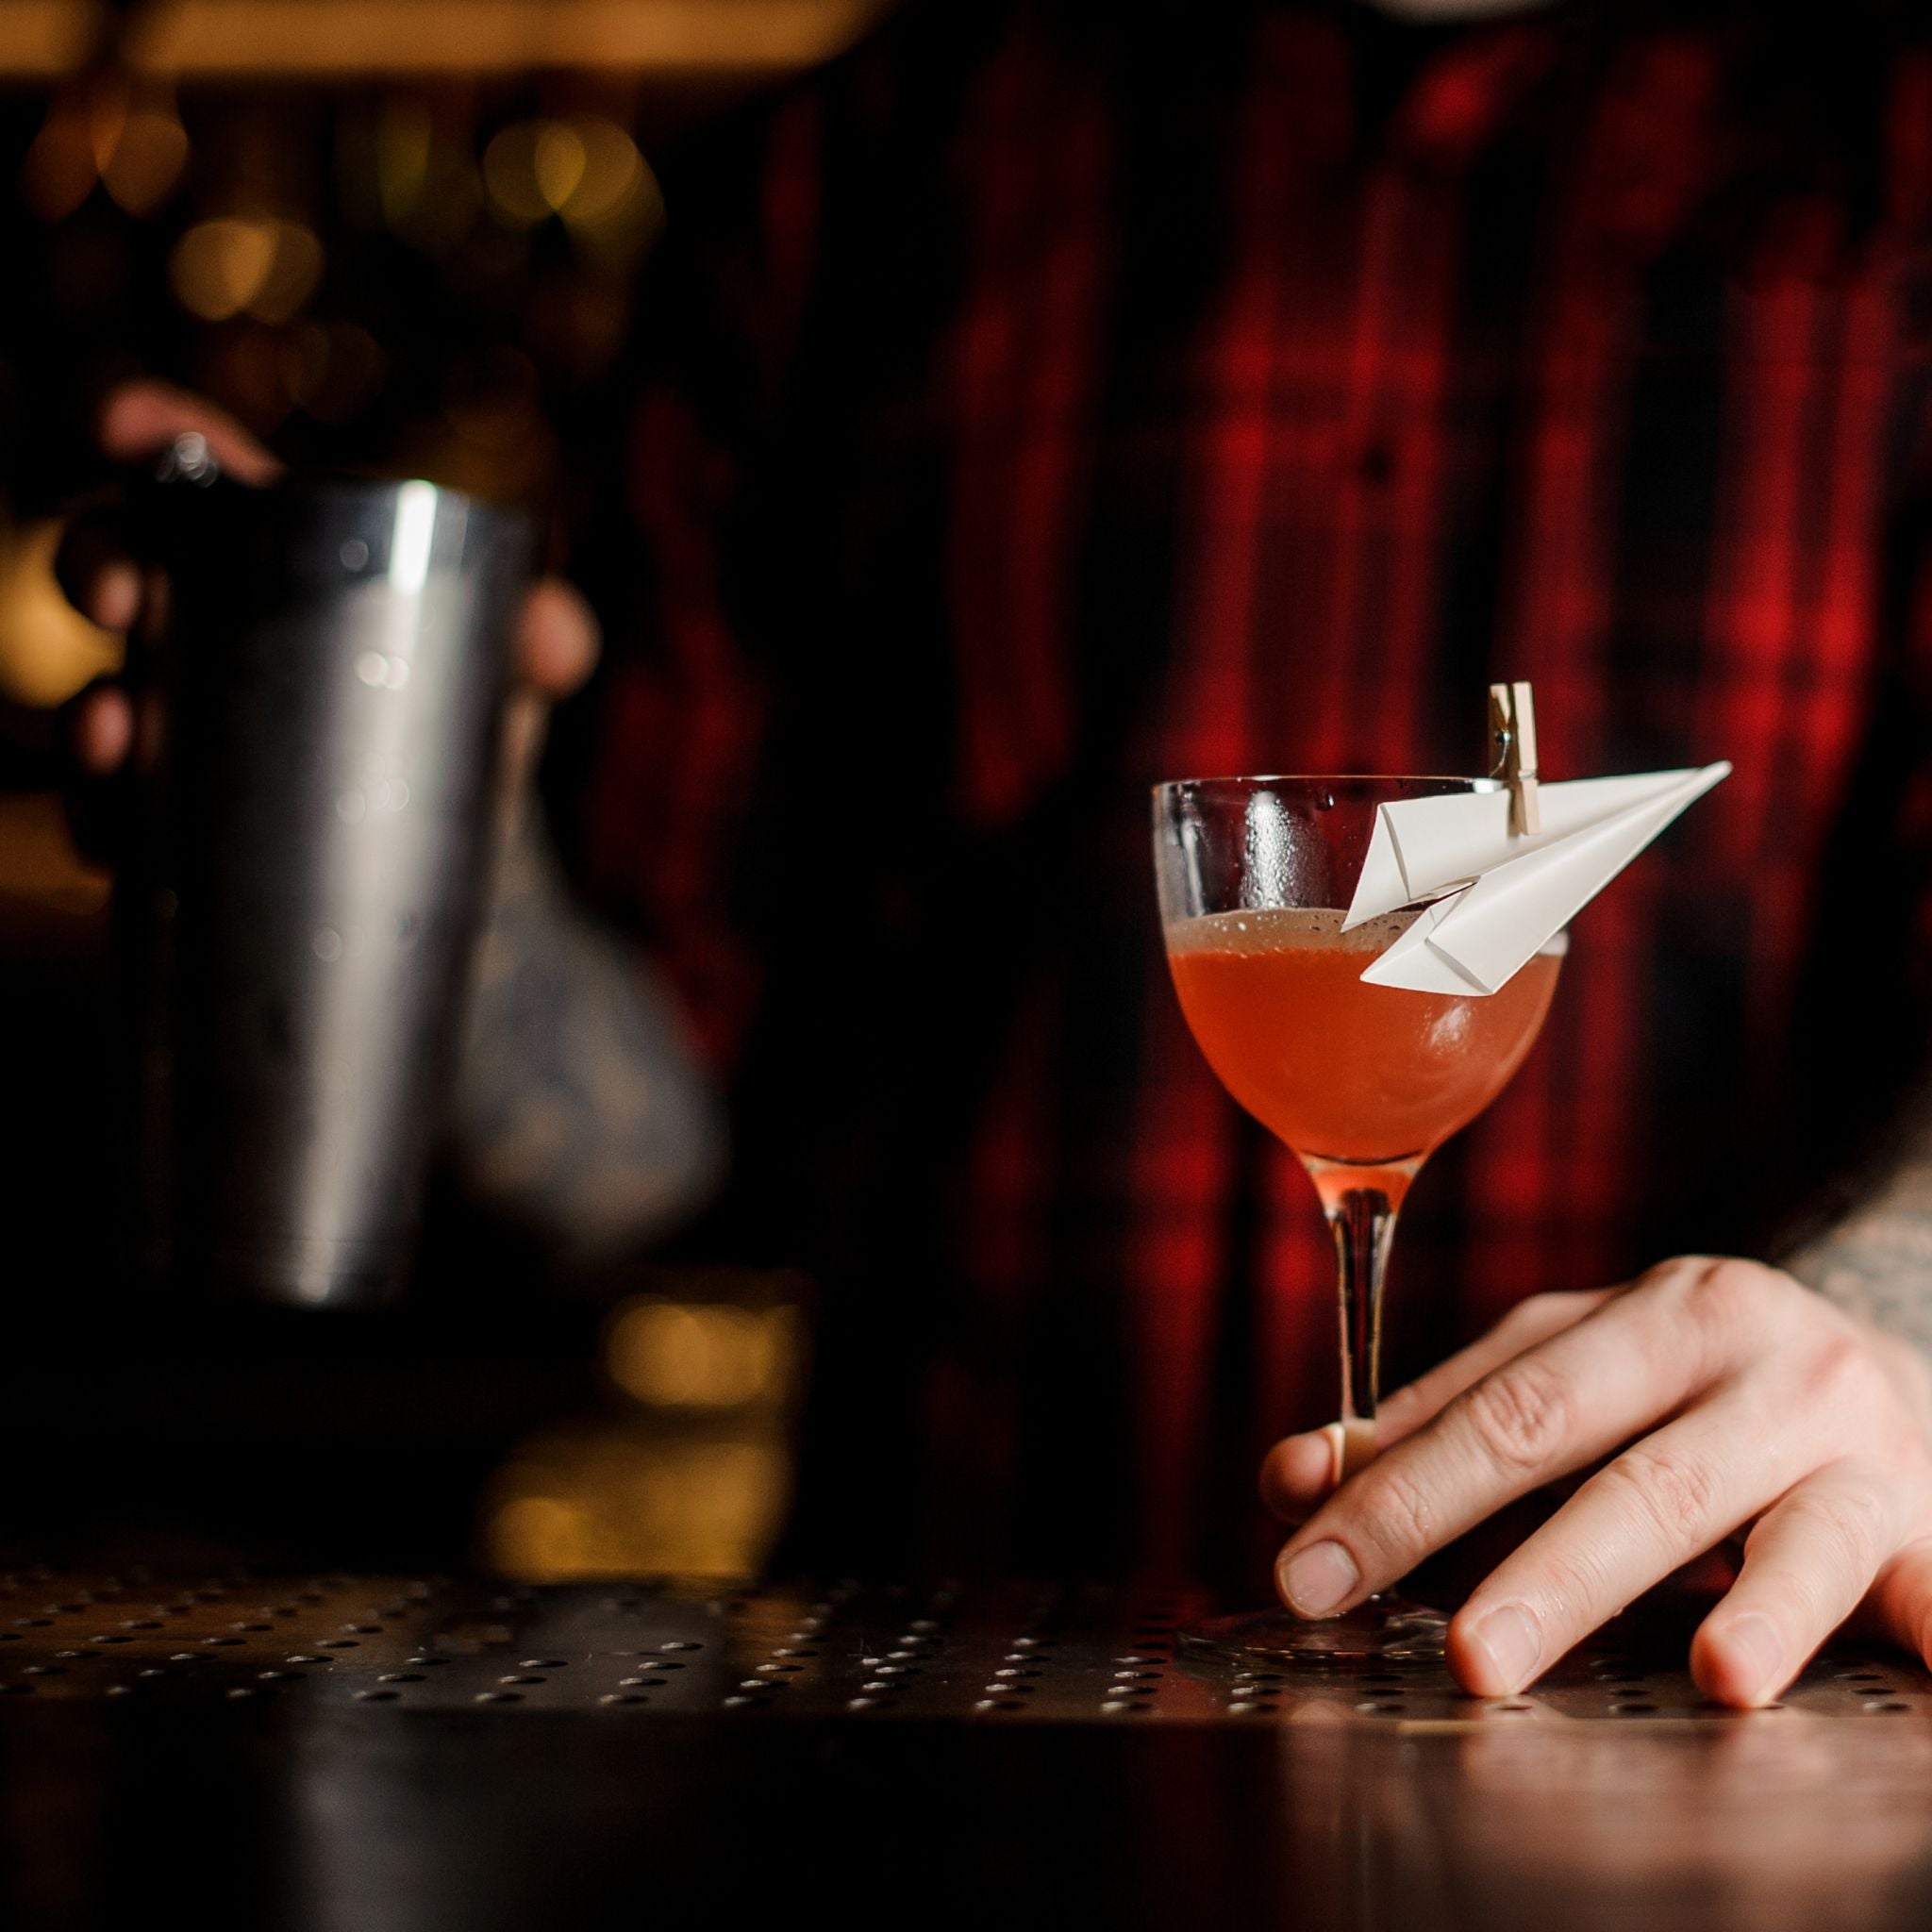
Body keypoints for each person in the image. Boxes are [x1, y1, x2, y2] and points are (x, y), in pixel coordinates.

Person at [54, 0, 1932, 1707]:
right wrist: (391, 840)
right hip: (957, 1710)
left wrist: (1868, 1327)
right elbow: (637, 1150)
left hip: (1676, 1683)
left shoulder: (1897, 154)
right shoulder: (861, 172)